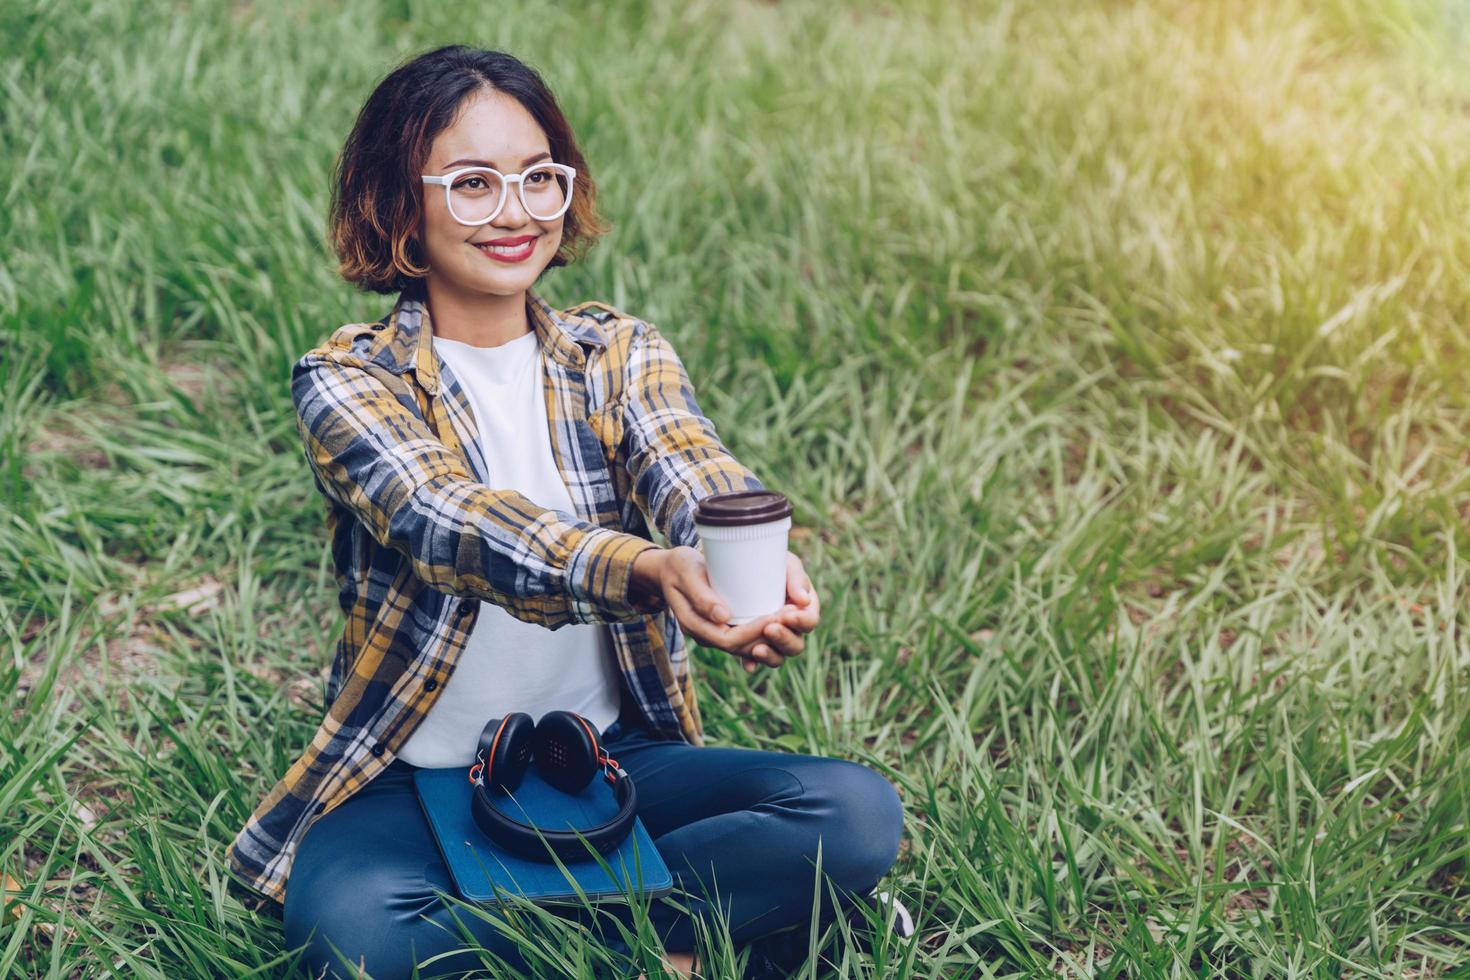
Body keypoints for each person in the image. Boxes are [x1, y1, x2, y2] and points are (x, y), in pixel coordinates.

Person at [224, 44, 906, 979]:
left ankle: (547, 942)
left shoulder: (613, 351)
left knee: (855, 814)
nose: (515, 213)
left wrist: (743, 559)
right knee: (357, 940)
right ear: (399, 204)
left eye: (540, 178)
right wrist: (642, 570)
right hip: (416, 778)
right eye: (471, 184)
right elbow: (445, 520)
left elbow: (688, 461)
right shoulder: (348, 379)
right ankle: (695, 942)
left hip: (612, 765)